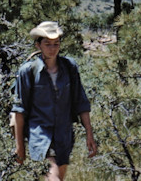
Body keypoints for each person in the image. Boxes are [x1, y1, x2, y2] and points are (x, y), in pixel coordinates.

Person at [12, 21, 97, 181]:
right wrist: (20, 147)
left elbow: (81, 102)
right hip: (40, 137)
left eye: (56, 44)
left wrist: (89, 134)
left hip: (64, 136)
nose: (52, 48)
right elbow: (19, 111)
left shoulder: (70, 67)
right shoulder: (28, 72)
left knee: (58, 176)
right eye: (47, 44)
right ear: (38, 45)